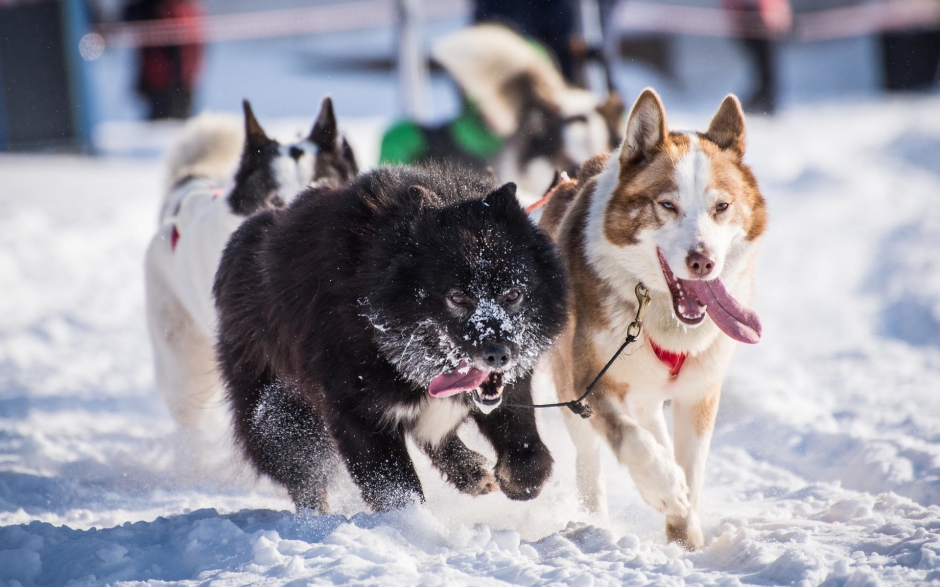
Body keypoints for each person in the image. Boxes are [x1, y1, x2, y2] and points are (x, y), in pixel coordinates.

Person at [123, 0, 204, 120]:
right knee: (169, 122)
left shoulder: (171, 10)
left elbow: (179, 52)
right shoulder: (184, 9)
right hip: (172, 82)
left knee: (168, 122)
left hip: (169, 83)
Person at [722, 0, 792, 114]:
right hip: (750, 23)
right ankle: (762, 100)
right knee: (763, 66)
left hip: (765, 25)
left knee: (767, 66)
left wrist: (777, 15)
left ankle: (765, 101)